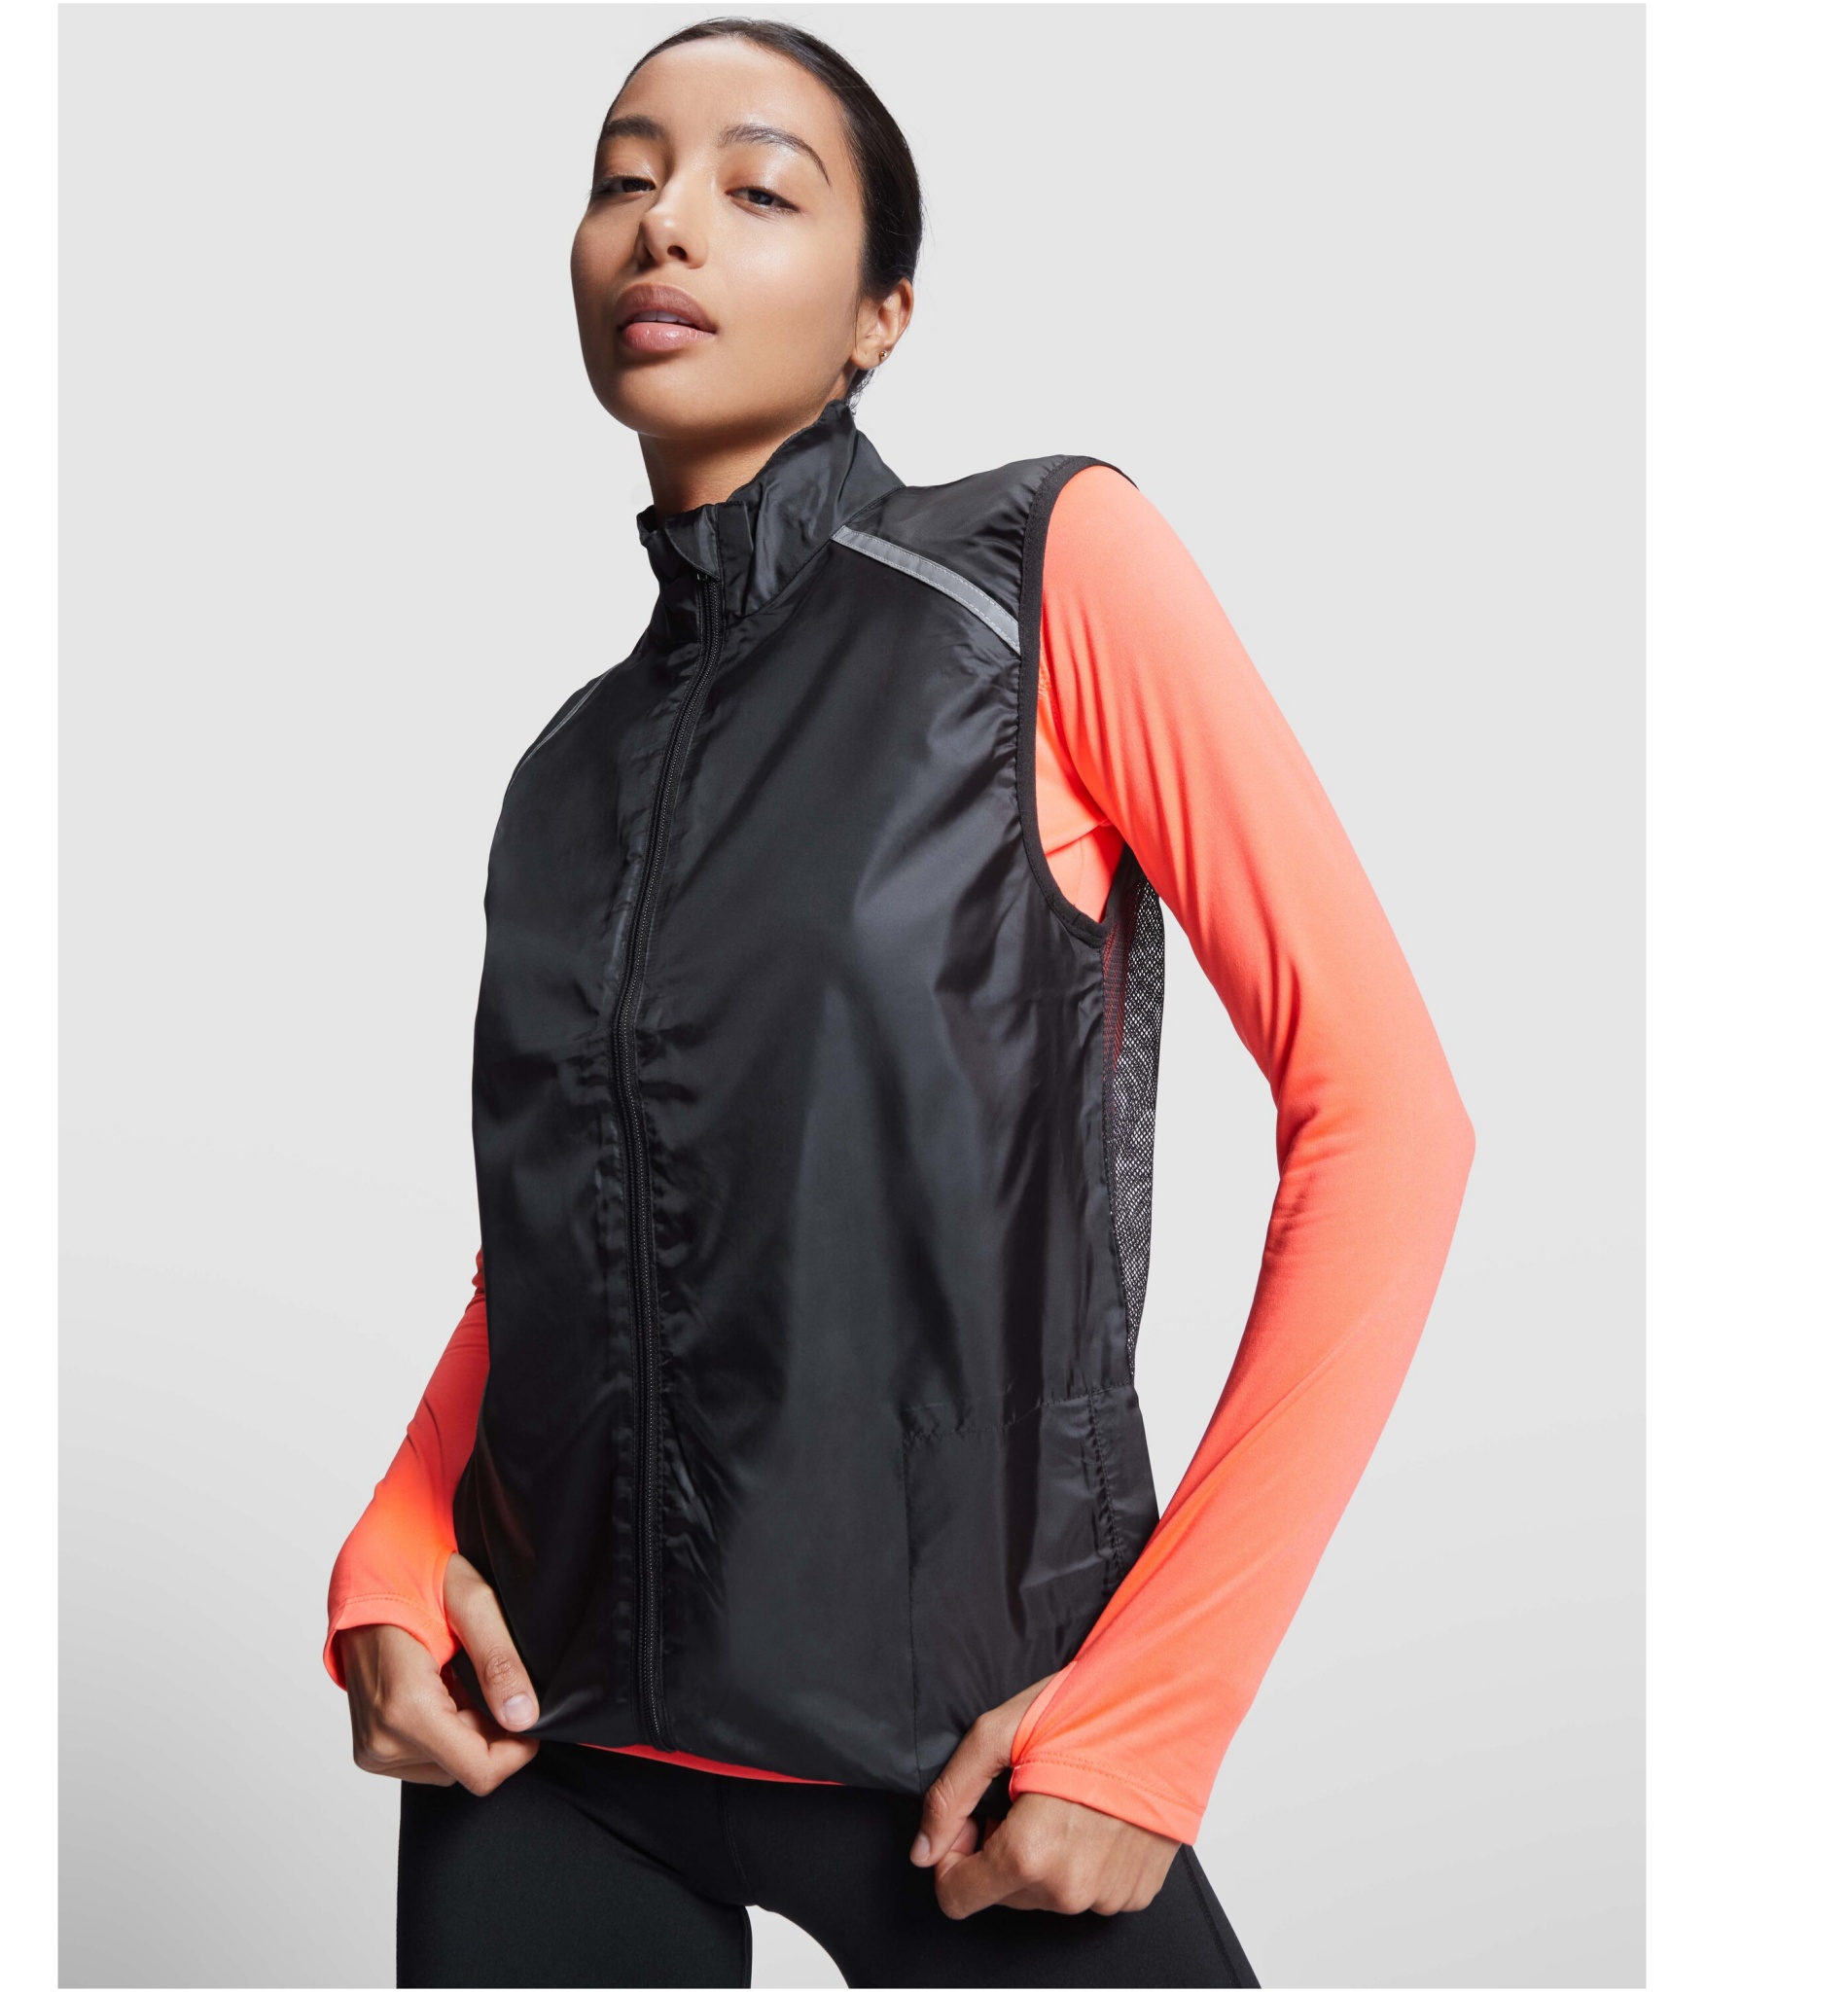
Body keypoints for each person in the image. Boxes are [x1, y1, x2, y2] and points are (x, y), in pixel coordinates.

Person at [325, 17, 1475, 1988]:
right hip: (543, 1748)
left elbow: (1384, 1123)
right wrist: (394, 1539)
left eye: (758, 188)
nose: (666, 222)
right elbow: (565, 1249)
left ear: (882, 317)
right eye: (623, 178)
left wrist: (1154, 1711)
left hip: (969, 1767)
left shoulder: (1040, 572)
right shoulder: (561, 774)